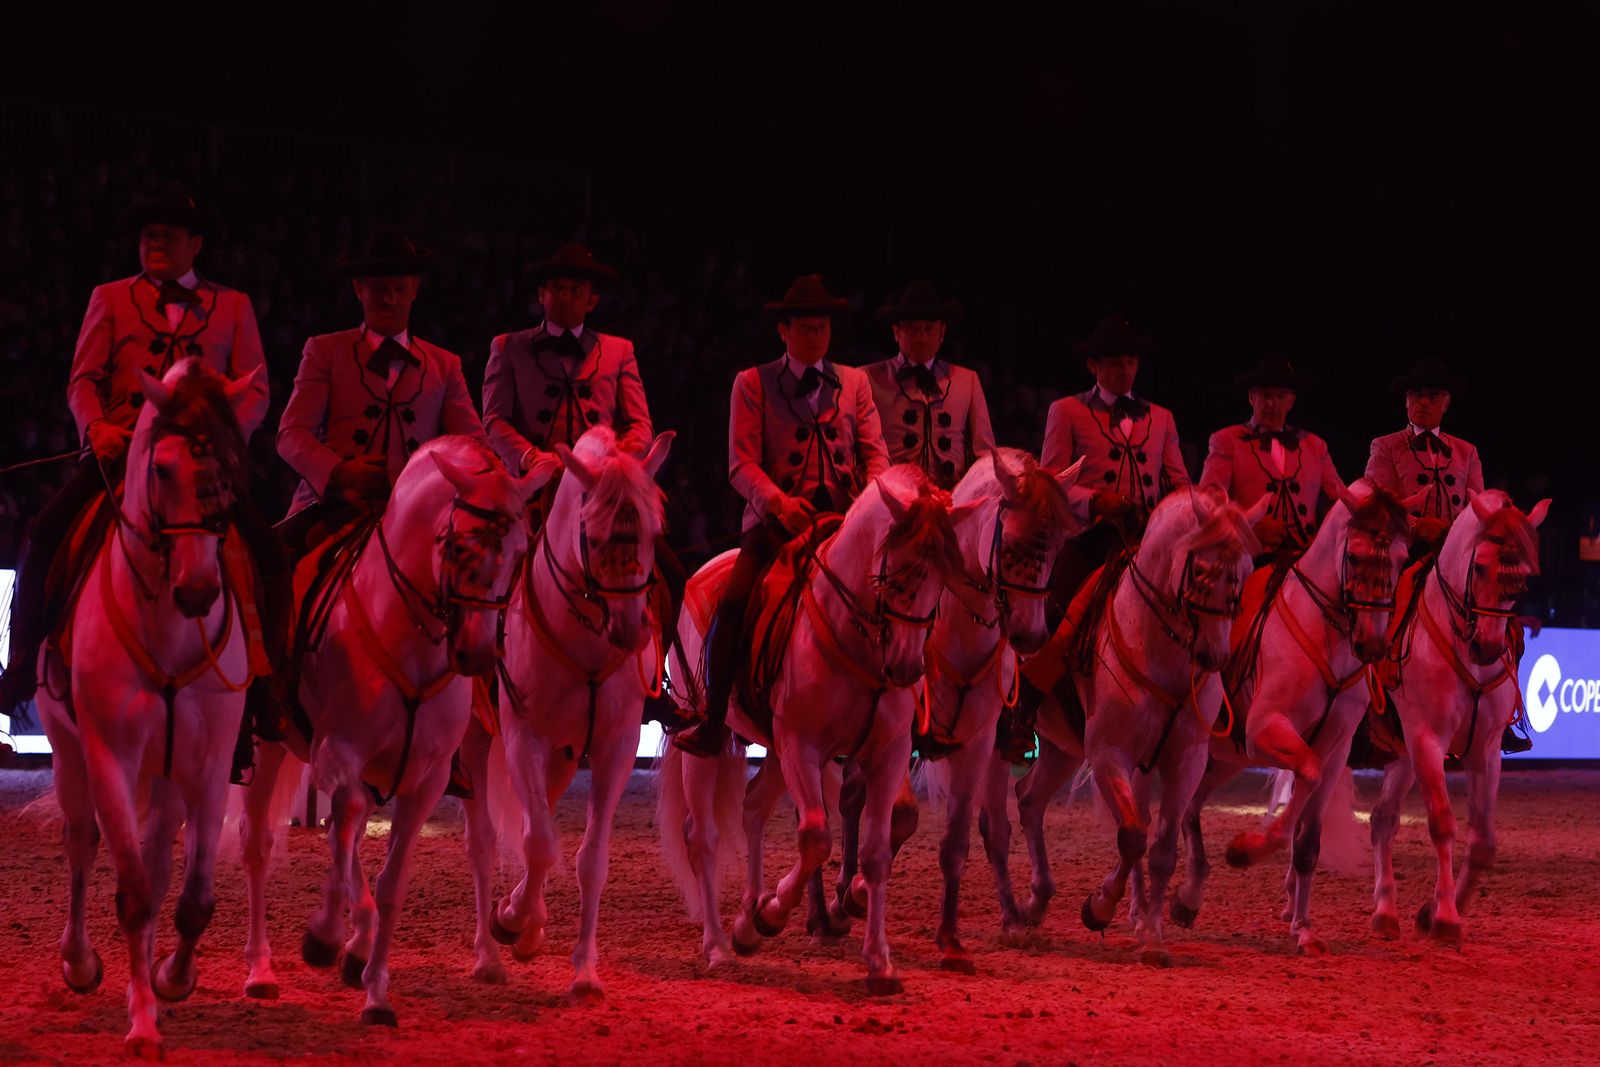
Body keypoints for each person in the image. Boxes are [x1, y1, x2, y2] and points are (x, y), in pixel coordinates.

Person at [0, 191, 273, 729]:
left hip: (198, 465)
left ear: (195, 244)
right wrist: (96, 426)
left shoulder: (234, 306)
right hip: (120, 454)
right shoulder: (110, 297)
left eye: (168, 235)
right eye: (148, 234)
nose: (155, 242)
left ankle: (266, 687)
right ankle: (23, 665)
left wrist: (216, 442)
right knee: (47, 529)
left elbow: (256, 391)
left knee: (267, 551)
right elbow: (83, 379)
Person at [273, 227, 490, 788]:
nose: (388, 297)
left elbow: (472, 443)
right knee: (269, 567)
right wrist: (337, 472)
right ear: (359, 291)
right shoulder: (325, 350)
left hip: (416, 523)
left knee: (479, 590)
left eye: (397, 287)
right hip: (334, 507)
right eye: (377, 288)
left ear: (414, 290)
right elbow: (291, 434)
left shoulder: (443, 365)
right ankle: (266, 700)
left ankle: (460, 736)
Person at [672, 275, 889, 757]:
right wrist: (778, 502)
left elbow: (876, 454)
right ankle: (711, 717)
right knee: (734, 600)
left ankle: (907, 715)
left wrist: (875, 502)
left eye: (823, 328)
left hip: (845, 523)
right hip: (777, 524)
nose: (816, 336)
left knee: (899, 598)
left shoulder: (855, 382)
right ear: (784, 332)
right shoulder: (752, 382)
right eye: (806, 328)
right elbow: (740, 463)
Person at [1363, 358, 1524, 752]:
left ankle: (1500, 715)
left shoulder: (1467, 451)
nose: (1423, 403)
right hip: (1407, 549)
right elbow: (1378, 505)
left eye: (1432, 396)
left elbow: (1481, 508)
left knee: (1507, 620)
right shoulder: (1385, 446)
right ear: (1406, 402)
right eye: (1416, 396)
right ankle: (1374, 711)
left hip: (1457, 556)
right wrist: (1418, 527)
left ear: (1446, 403)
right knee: (1379, 614)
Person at [1200, 355, 1345, 556]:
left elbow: (1338, 500)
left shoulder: (1314, 445)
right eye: (1266, 395)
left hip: (1304, 558)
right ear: (1252, 397)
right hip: (1248, 556)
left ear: (1291, 401)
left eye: (1280, 396)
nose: (1272, 404)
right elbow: (1208, 501)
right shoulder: (1227, 440)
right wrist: (1248, 523)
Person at [861, 281, 994, 490]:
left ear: (942, 333)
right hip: (894, 499)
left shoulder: (967, 381)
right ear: (897, 332)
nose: (921, 337)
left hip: (951, 500)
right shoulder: (867, 378)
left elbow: (984, 453)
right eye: (913, 329)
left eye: (929, 329)